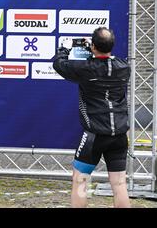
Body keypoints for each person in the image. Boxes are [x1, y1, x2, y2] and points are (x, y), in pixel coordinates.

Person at [53, 27, 131, 208]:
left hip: (94, 135)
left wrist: (64, 49)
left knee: (80, 181)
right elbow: (104, 63)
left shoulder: (85, 69)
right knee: (119, 184)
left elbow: (59, 64)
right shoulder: (123, 67)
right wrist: (94, 51)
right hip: (119, 135)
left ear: (94, 45)